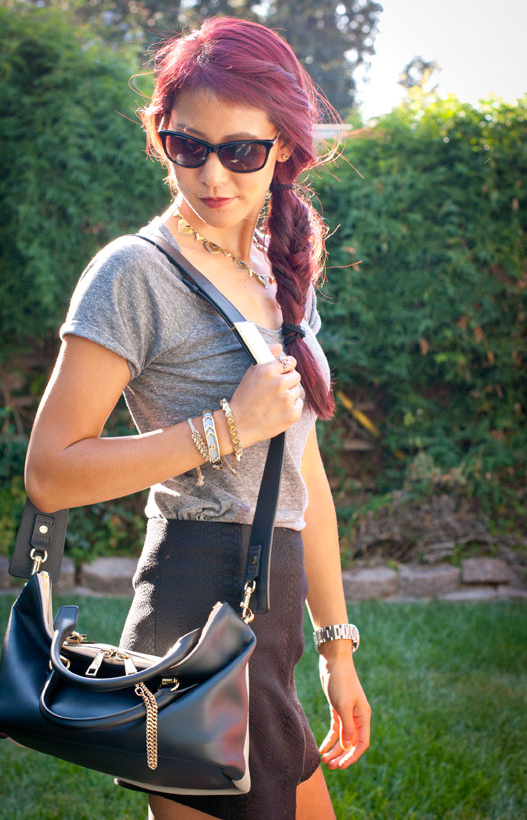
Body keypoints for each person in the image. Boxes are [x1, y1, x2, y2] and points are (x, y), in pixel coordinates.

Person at [25, 16, 371, 820]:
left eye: (242, 151)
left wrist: (335, 645)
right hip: (193, 617)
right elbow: (50, 472)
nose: (214, 174)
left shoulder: (278, 267)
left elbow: (304, 475)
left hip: (272, 609)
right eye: (190, 147)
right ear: (161, 138)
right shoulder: (132, 272)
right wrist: (225, 428)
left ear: (282, 146)